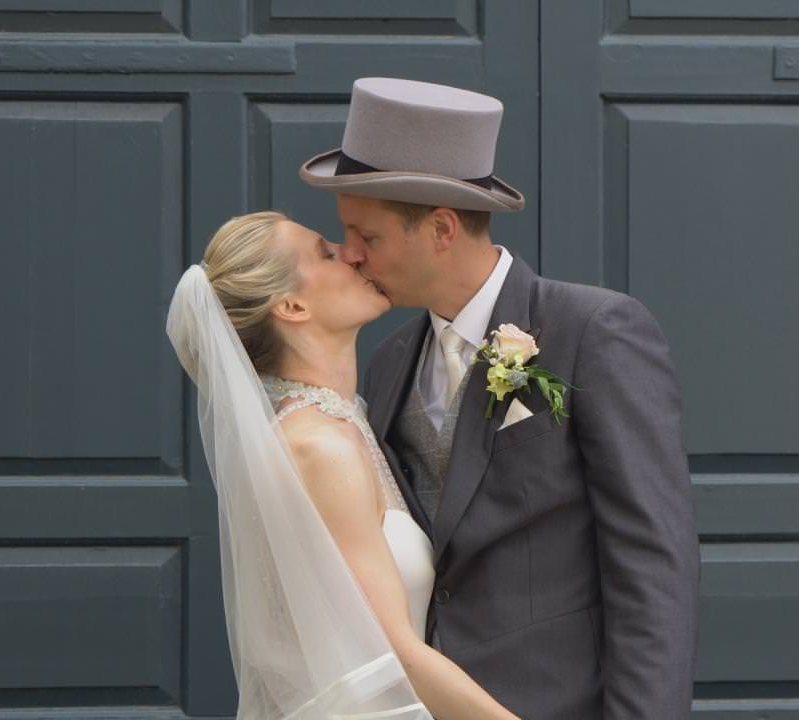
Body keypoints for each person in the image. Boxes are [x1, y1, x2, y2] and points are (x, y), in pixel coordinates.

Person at [298, 77, 700, 718]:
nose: (349, 256)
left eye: (367, 237)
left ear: (441, 228)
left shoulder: (593, 330)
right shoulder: (388, 361)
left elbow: (653, 561)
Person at [166, 211, 520, 719]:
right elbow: (396, 653)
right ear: (291, 306)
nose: (352, 253)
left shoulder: (348, 420)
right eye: (326, 253)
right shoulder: (319, 447)